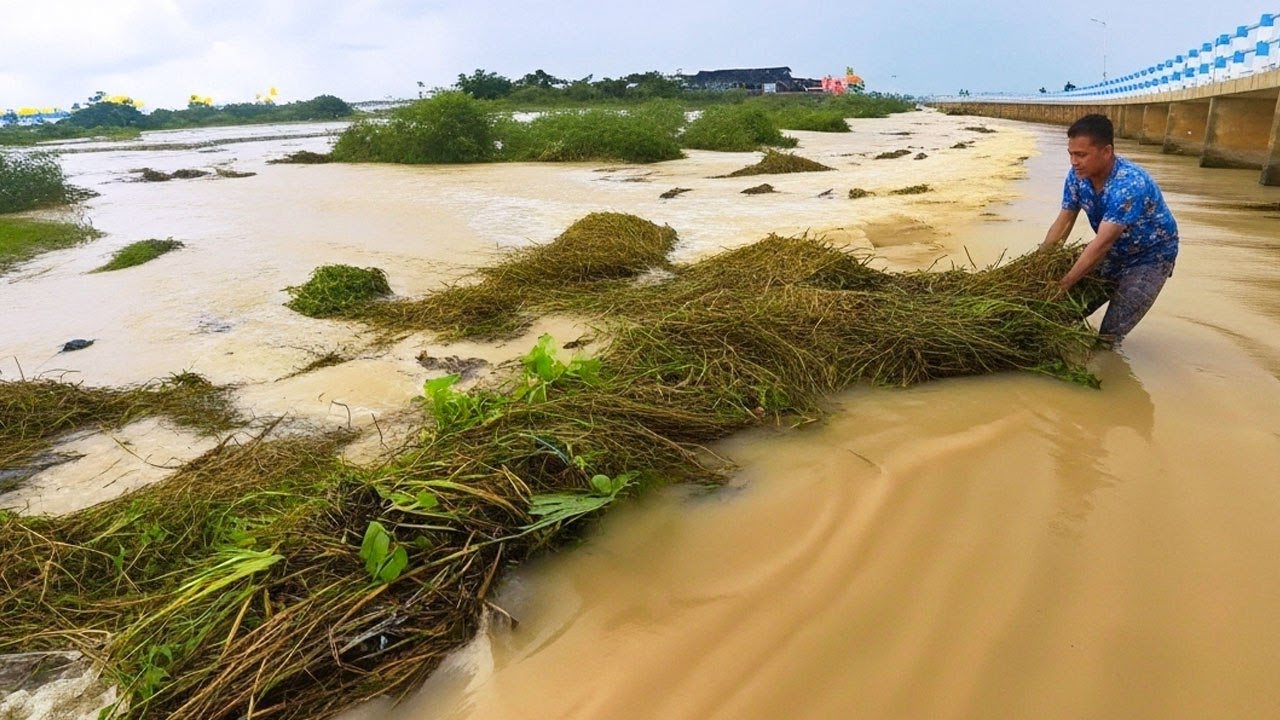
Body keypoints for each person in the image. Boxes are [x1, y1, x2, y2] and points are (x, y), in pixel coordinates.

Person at [1040, 113, 1179, 343]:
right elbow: (1064, 221)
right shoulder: (1077, 177)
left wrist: (1063, 284)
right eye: (1071, 154)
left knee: (1108, 336)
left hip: (1150, 258)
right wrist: (1040, 262)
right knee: (1062, 314)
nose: (1074, 162)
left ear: (1106, 152)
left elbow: (1102, 243)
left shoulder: (1129, 184)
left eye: (1081, 155)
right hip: (1114, 252)